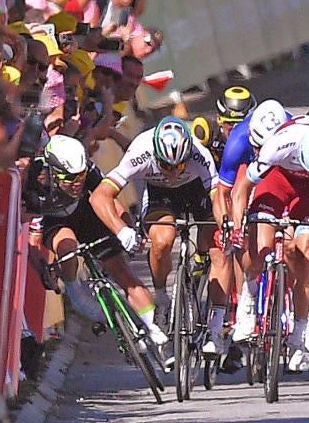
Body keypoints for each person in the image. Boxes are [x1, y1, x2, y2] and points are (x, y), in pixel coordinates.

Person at [89, 116, 232, 358]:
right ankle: (162, 297)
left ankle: (216, 329)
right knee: (163, 239)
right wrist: (122, 231)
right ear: (156, 155)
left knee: (219, 247)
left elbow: (218, 198)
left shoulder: (199, 154)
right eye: (167, 166)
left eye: (180, 165)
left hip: (197, 191)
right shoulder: (140, 151)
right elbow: (99, 196)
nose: (174, 172)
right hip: (160, 195)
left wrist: (227, 227)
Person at [231, 115, 309, 373]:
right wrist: (238, 228)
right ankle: (248, 297)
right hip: (278, 179)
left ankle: (299, 335)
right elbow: (241, 189)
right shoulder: (280, 145)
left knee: (308, 250)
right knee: (262, 244)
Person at [22, 135, 168, 347]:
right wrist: (44, 272)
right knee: (67, 245)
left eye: (81, 177)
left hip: (85, 213)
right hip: (53, 220)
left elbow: (110, 200)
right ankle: (74, 289)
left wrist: (128, 229)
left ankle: (154, 328)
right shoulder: (35, 181)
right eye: (70, 178)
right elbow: (33, 243)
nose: (77, 184)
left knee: (121, 269)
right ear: (52, 172)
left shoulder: (87, 170)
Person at [213, 99, 291, 344]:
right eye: (257, 146)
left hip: (285, 166)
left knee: (297, 238)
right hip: (247, 174)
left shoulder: (292, 133)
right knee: (242, 237)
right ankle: (246, 298)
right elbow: (224, 193)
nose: (261, 153)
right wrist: (230, 227)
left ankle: (301, 307)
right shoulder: (238, 141)